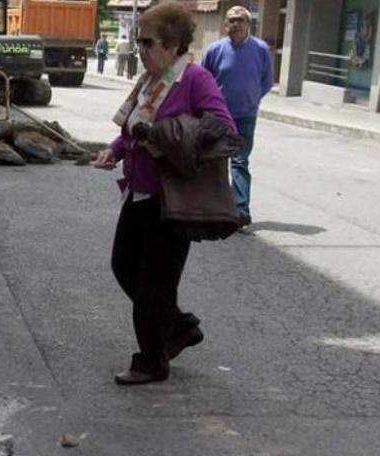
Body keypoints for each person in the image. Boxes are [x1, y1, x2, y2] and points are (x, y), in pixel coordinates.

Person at [92, 3, 236, 385]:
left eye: (148, 43)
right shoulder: (149, 80)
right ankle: (179, 328)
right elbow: (132, 129)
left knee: (155, 283)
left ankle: (151, 360)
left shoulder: (194, 79)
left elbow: (222, 128)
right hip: (139, 193)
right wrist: (115, 149)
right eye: (138, 42)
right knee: (124, 267)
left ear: (172, 45)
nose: (141, 50)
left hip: (172, 199)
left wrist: (167, 134)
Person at [201, 6, 272, 228]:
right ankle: (213, 208)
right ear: (225, 25)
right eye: (231, 20)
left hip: (246, 116)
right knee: (214, 160)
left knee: (240, 161)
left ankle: (240, 210)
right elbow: (203, 81)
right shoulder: (215, 50)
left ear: (248, 24)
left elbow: (267, 81)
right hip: (218, 116)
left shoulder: (260, 49)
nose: (235, 24)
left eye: (240, 20)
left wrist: (252, 99)